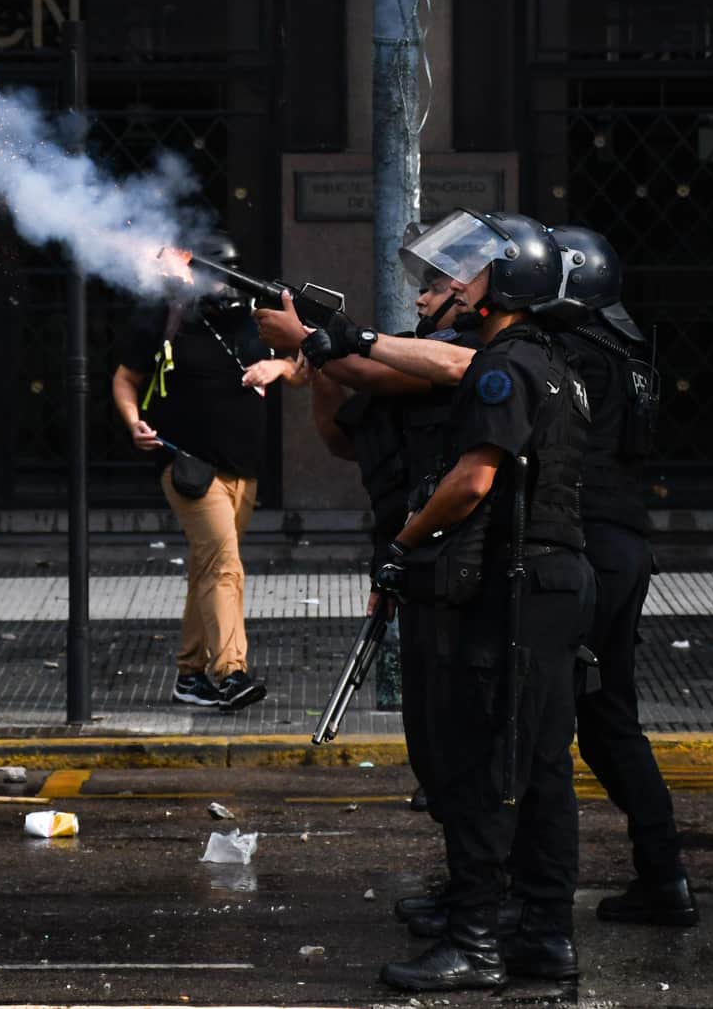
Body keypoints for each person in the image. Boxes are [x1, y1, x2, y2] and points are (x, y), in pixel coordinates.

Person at [358, 210, 592, 992]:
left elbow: (473, 479)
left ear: (509, 285)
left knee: (485, 763)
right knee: (541, 766)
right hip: (554, 579)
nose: (450, 284)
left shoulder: (503, 368)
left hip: (515, 586)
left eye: (469, 272)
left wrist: (403, 543)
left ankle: (476, 944)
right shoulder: (547, 360)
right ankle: (545, 935)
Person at [257, 253, 478, 823]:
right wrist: (322, 363)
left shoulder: (464, 352)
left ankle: (481, 880)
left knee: (459, 713)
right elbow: (343, 437)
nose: (420, 300)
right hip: (409, 547)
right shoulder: (408, 346)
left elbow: (377, 370)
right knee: (425, 710)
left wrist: (311, 339)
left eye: (432, 289)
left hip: (459, 555)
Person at [537, 225, 696, 927]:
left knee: (543, 714)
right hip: (625, 544)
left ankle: (523, 897)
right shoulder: (625, 350)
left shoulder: (571, 350)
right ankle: (664, 877)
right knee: (608, 720)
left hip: (586, 544)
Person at [112, 238, 303, 712]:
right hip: (188, 466)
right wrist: (132, 419)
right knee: (224, 566)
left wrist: (277, 367)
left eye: (230, 273)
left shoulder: (259, 317)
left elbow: (304, 368)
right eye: (213, 273)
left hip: (242, 467)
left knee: (207, 570)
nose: (222, 283)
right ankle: (230, 673)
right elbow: (125, 379)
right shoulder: (167, 316)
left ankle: (190, 676)